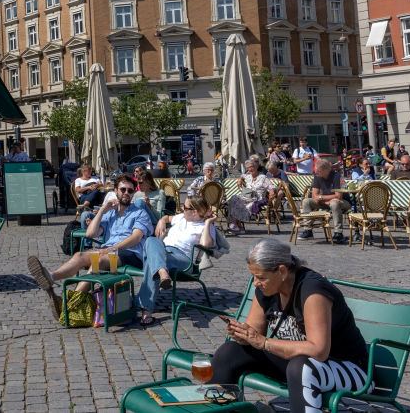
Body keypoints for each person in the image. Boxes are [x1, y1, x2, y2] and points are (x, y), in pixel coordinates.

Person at [209, 239, 373, 413]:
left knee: (302, 367)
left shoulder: (312, 290)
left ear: (282, 271)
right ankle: (215, 410)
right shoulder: (266, 290)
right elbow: (254, 334)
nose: (255, 283)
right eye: (253, 276)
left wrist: (264, 343)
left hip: (350, 369)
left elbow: (318, 350)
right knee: (229, 352)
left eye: (261, 277)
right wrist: (243, 335)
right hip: (298, 363)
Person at [26, 174, 153, 320]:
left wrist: (111, 249)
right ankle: (50, 277)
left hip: (131, 253)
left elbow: (135, 238)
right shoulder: (110, 213)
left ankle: (69, 305)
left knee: (98, 263)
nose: (126, 193)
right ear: (116, 191)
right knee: (80, 255)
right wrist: (102, 210)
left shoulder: (140, 213)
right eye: (123, 189)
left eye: (130, 191)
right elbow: (90, 233)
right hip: (108, 252)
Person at [136, 194, 218, 325]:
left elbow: (206, 244)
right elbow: (167, 217)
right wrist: (162, 221)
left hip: (183, 259)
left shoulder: (205, 226)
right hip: (164, 251)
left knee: (153, 258)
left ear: (195, 212)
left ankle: (146, 309)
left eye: (184, 207)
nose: (181, 209)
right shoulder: (181, 217)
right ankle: (163, 272)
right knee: (152, 240)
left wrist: (208, 223)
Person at [298, 159, 350, 242]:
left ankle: (338, 233)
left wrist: (321, 198)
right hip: (325, 201)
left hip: (343, 202)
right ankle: (308, 230)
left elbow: (338, 196)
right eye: (316, 171)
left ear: (327, 170)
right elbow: (314, 195)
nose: (317, 173)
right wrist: (324, 201)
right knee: (306, 201)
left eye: (319, 171)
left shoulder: (337, 176)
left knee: (334, 203)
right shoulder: (317, 176)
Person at [226, 159, 273, 231]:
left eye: (251, 167)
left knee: (241, 204)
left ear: (256, 167)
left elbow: (271, 186)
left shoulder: (263, 177)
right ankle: (238, 225)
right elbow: (242, 175)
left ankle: (235, 223)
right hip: (246, 197)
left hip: (256, 198)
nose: (250, 169)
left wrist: (272, 191)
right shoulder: (248, 176)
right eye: (248, 168)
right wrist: (240, 179)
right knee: (234, 198)